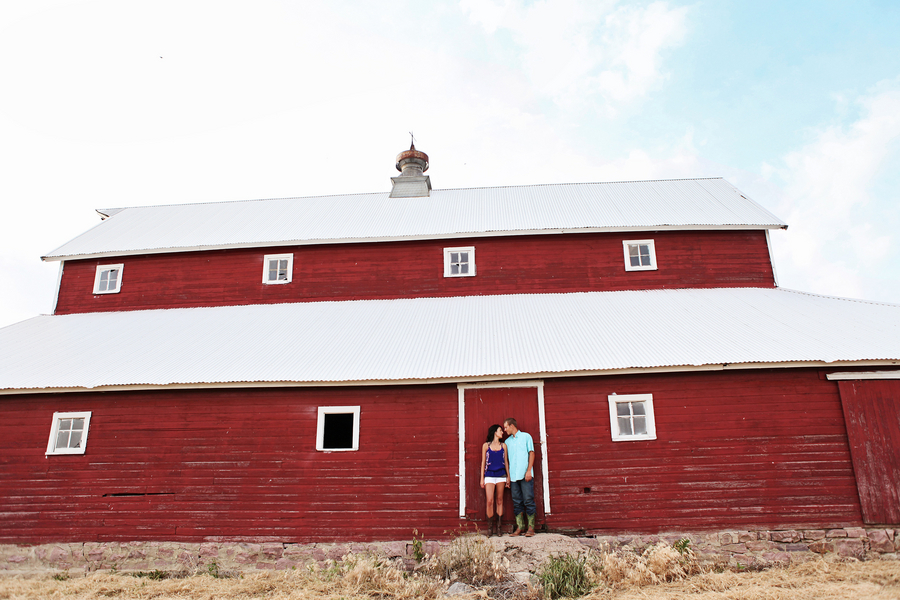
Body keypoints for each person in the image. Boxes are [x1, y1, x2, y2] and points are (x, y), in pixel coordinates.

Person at [503, 417, 536, 537]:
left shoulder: (526, 437)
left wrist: (529, 471)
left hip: (525, 474)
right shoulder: (507, 442)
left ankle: (531, 528)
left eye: (506, 427)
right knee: (516, 501)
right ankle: (520, 527)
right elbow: (507, 460)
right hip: (513, 476)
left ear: (512, 426)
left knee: (528, 499)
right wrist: (508, 477)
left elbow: (531, 453)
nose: (505, 430)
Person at [480, 424, 511, 536]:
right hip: (489, 475)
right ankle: (490, 528)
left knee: (499, 500)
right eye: (500, 430)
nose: (502, 432)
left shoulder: (503, 446)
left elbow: (506, 461)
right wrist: (482, 478)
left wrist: (508, 476)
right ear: (495, 432)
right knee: (489, 501)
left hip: (501, 475)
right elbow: (483, 462)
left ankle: (498, 528)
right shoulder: (486, 446)